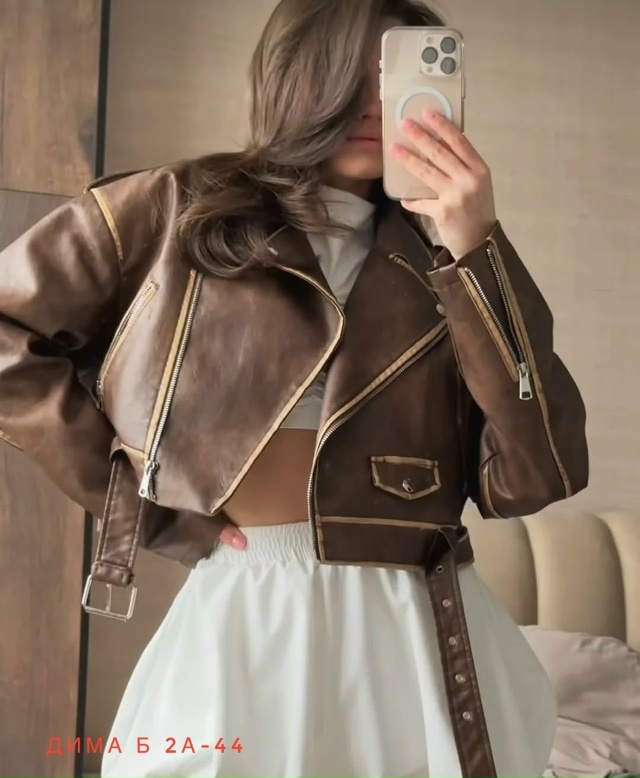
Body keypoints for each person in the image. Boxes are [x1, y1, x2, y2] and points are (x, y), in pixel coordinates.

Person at [0, 0, 588, 776]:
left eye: (397, 73)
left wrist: (476, 247)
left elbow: (538, 474)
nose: (378, 101)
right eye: (356, 71)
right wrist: (147, 511)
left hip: (422, 622)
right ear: (297, 72)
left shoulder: (447, 258)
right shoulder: (174, 208)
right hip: (253, 602)